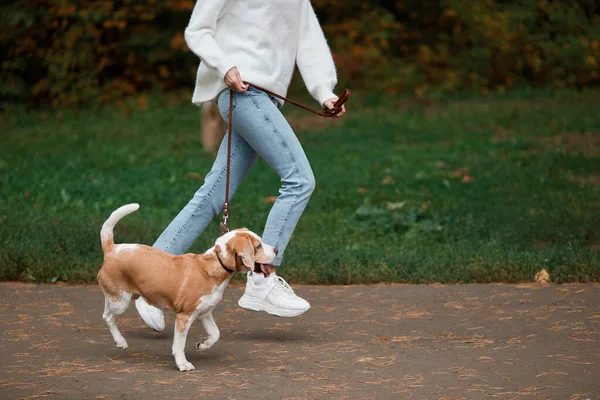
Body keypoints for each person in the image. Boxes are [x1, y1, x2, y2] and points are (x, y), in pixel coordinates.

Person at [135, 0, 346, 330]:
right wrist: (225, 65)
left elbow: (308, 40)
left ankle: (148, 286)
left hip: (264, 101)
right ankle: (263, 278)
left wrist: (324, 92)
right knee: (299, 179)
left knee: (211, 197)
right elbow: (198, 30)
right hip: (242, 95)